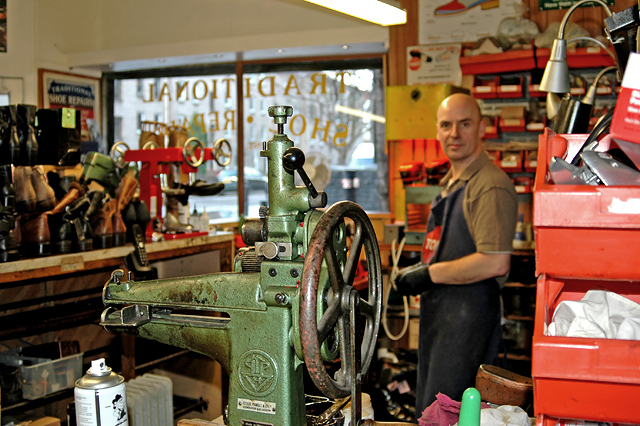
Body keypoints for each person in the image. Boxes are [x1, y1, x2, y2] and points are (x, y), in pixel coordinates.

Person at [394, 93, 518, 416]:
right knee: (433, 411)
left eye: (465, 124)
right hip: (444, 321)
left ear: (482, 128)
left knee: (453, 414)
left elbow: (495, 261)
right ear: (437, 131)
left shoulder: (489, 185)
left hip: (468, 327)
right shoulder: (451, 184)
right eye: (446, 125)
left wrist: (428, 274)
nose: (455, 134)